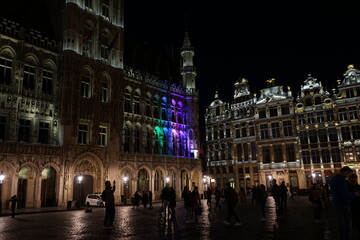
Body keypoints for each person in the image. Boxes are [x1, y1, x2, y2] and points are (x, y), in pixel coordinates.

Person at [330, 166, 358, 240]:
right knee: (347, 225)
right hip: (343, 204)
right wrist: (355, 194)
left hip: (337, 203)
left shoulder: (333, 179)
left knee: (342, 224)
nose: (348, 176)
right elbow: (344, 194)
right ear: (346, 172)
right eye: (349, 174)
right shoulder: (340, 179)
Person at [347, 173, 360, 239]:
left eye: (355, 180)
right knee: (350, 225)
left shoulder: (358, 187)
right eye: (352, 180)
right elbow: (345, 195)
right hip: (350, 207)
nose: (354, 181)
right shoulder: (346, 187)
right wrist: (355, 194)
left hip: (357, 207)